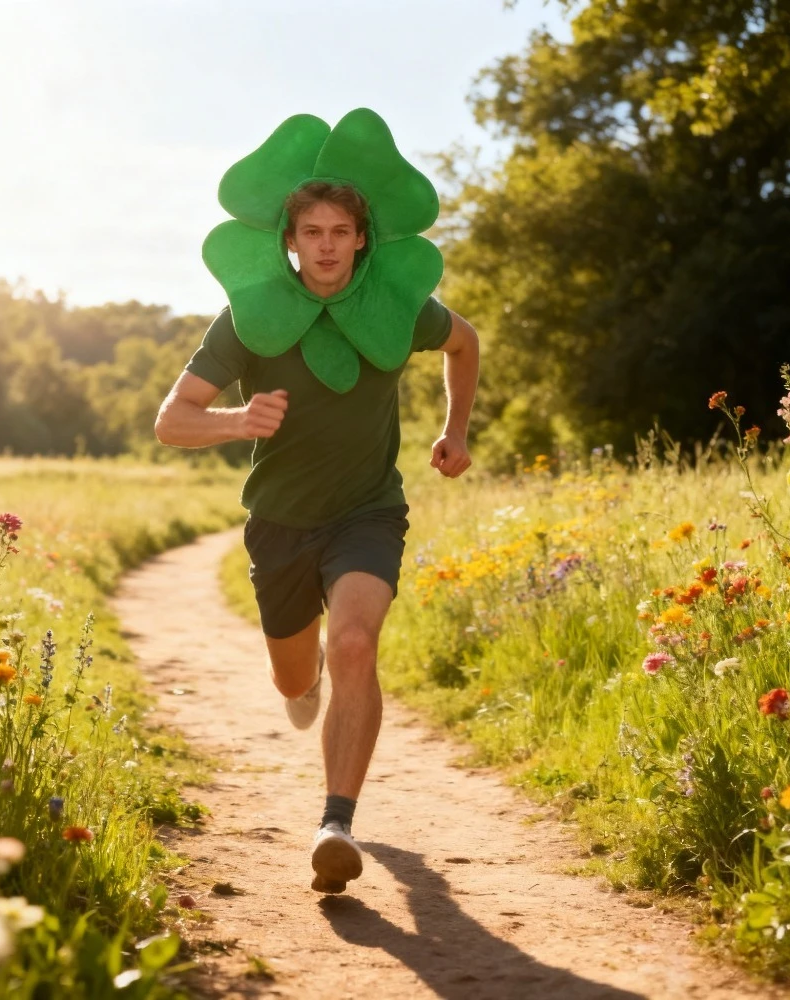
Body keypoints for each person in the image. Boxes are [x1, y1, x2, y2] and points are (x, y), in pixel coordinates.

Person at [156, 134, 479, 895]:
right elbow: (172, 420)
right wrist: (237, 421)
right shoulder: (247, 319)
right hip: (280, 523)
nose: (327, 246)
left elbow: (464, 346)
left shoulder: (400, 307)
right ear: (291, 241)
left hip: (369, 510)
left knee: (358, 642)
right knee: (295, 676)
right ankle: (307, 683)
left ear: (362, 239)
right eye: (313, 232)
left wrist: (455, 429)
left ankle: (336, 822)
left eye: (341, 231)